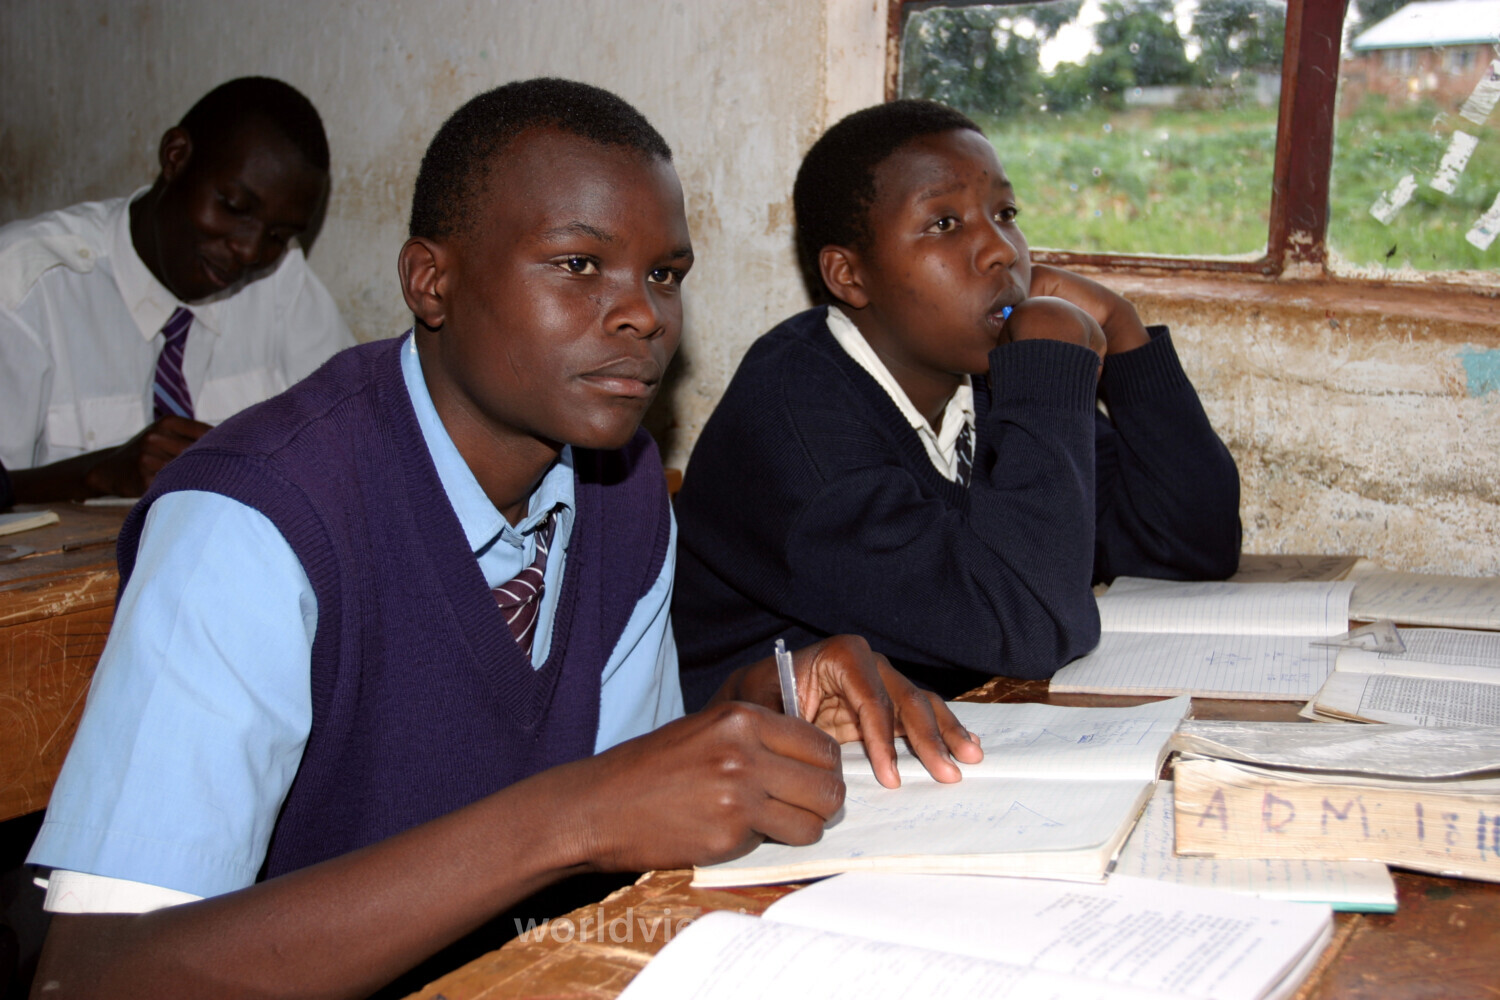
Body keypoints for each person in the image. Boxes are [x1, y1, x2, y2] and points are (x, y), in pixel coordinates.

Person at [23, 79, 980, 1000]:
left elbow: (627, 775)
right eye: (577, 264)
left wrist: (764, 698)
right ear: (431, 281)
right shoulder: (255, 524)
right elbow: (101, 976)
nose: (644, 313)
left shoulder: (621, 487)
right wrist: (575, 818)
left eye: (664, 274)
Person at [673, 99, 1242, 708]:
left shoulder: (982, 379)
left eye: (1005, 213)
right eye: (944, 224)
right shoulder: (796, 426)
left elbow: (1188, 543)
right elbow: (1027, 627)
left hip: (928, 731)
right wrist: (1050, 370)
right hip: (755, 759)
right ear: (849, 276)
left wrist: (1124, 333)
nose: (1001, 250)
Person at [0, 76, 353, 502]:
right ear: (176, 156)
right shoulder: (26, 285)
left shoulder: (281, 282)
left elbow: (355, 444)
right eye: (235, 207)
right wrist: (95, 475)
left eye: (278, 234)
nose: (249, 250)